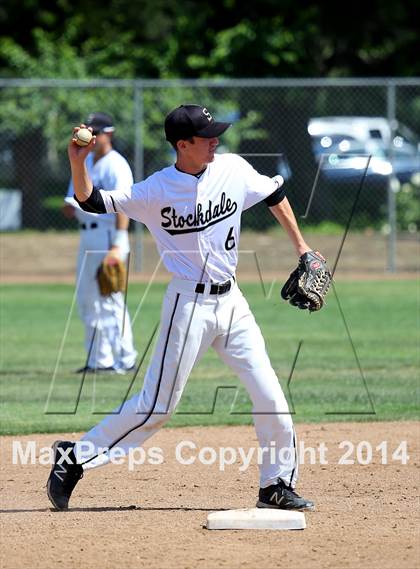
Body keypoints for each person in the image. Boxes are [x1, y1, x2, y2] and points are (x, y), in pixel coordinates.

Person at [48, 104, 320, 511]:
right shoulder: (155, 190)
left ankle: (276, 484)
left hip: (233, 302)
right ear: (182, 144)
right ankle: (75, 457)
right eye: (206, 136)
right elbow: (92, 201)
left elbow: (274, 193)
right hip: (187, 304)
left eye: (215, 134)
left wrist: (303, 248)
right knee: (157, 407)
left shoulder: (232, 169)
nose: (216, 141)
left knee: (271, 396)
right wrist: (77, 162)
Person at [63, 112, 137, 374]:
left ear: (110, 134)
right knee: (87, 299)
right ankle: (99, 359)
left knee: (110, 299)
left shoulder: (117, 165)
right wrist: (70, 208)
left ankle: (126, 357)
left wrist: (119, 243)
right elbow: (72, 200)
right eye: (91, 131)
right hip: (87, 235)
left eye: (99, 132)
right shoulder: (85, 161)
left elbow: (124, 206)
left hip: (109, 236)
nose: (94, 136)